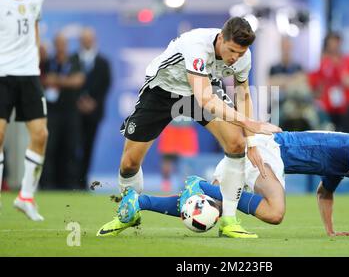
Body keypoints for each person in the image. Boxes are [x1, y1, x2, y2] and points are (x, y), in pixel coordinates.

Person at [97, 17, 281, 238]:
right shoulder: (196, 44)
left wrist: (251, 143)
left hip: (201, 89)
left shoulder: (243, 57)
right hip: (163, 90)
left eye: (240, 54)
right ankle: (129, 212)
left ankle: (229, 220)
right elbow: (206, 100)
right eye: (231, 50)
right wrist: (247, 122)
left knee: (236, 143)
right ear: (221, 38)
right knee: (129, 162)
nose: (234, 58)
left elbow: (243, 95)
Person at [111, 131, 349, 238]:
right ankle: (203, 185)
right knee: (274, 212)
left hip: (262, 153)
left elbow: (324, 193)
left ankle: (141, 202)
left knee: (208, 210)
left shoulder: (347, 159)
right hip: (267, 151)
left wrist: (330, 231)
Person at [0, 0, 47, 220]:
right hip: (2, 75)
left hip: (29, 75)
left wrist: (36, 60)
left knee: (41, 135)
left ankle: (26, 197)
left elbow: (35, 26)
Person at [40, 33, 85, 189]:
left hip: (70, 112)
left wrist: (57, 80)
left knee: (71, 148)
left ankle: (71, 184)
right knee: (49, 147)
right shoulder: (48, 62)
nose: (60, 46)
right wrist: (65, 81)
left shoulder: (74, 61)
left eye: (63, 43)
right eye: (58, 43)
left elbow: (78, 80)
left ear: (66, 45)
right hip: (51, 112)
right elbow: (43, 80)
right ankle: (47, 183)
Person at [71, 27, 111, 190]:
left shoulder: (103, 62)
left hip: (94, 113)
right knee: (72, 145)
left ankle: (82, 180)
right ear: (80, 40)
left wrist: (93, 102)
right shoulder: (72, 59)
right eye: (84, 38)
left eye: (89, 38)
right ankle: (70, 179)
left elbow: (105, 85)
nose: (87, 41)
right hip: (73, 112)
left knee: (88, 146)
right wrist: (78, 100)